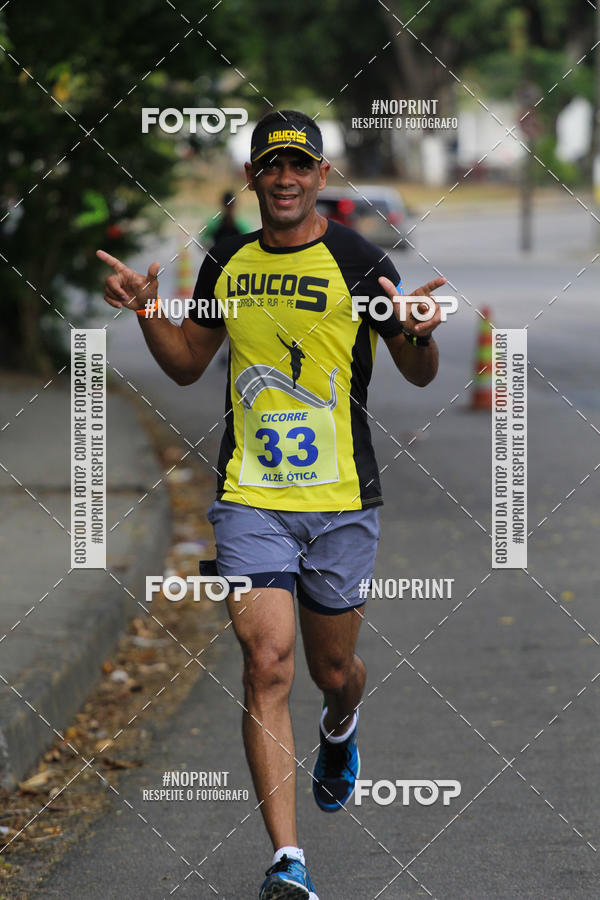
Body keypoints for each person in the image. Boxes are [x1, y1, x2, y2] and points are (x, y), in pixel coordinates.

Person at [97, 109, 445, 900]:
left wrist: (419, 334)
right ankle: (288, 862)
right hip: (250, 496)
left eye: (299, 166)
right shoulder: (228, 260)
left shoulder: (359, 261)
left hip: (342, 499)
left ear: (321, 176)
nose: (284, 179)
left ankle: (341, 725)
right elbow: (187, 365)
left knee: (333, 669)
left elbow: (418, 374)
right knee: (265, 664)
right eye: (270, 166)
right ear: (252, 178)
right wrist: (152, 310)